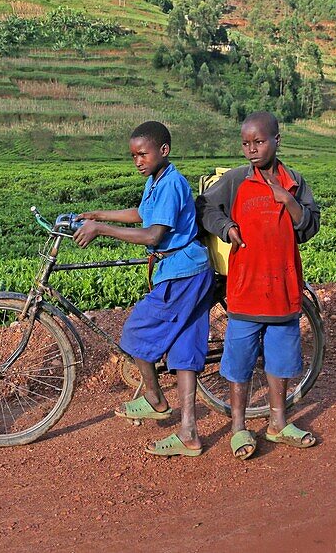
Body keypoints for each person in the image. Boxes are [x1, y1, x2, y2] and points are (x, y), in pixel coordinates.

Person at [72, 121, 214, 457]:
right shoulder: (157, 180)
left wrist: (101, 229)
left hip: (182, 274)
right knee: (184, 353)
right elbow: (143, 214)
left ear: (163, 151)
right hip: (186, 271)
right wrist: (100, 213)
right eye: (133, 155)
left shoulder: (171, 184)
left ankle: (154, 399)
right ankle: (189, 434)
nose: (137, 160)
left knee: (135, 333)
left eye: (142, 153)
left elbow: (153, 236)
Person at [198, 111, 321, 459]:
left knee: (280, 362)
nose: (251, 149)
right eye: (246, 143)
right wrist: (225, 227)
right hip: (245, 290)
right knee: (240, 363)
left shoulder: (294, 181)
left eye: (259, 141)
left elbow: (310, 227)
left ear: (277, 140)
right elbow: (204, 207)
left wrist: (291, 203)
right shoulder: (236, 180)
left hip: (282, 289)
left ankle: (278, 422)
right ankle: (239, 427)